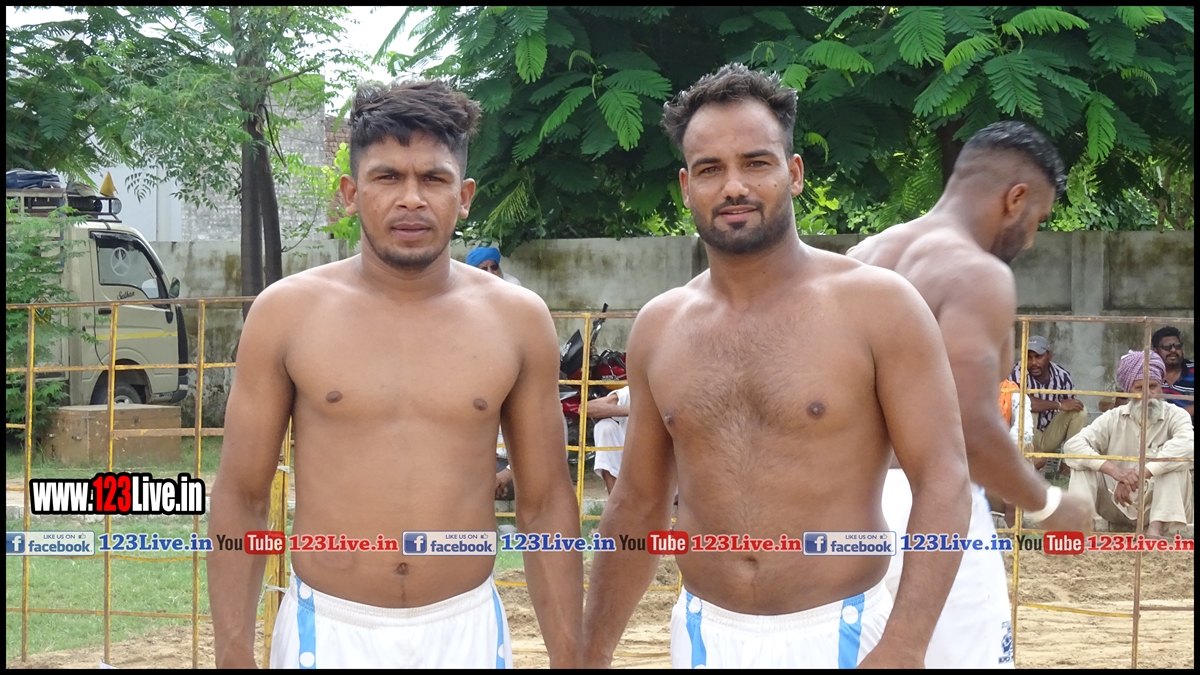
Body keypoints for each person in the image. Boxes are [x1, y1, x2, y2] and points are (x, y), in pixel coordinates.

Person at [582, 64, 972, 670]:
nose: (733, 186)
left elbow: (943, 479)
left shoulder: (879, 306)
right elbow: (636, 503)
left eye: (756, 162)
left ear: (793, 173)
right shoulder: (660, 326)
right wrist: (590, 652)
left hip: (845, 634)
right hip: (704, 636)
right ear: (686, 185)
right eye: (710, 169)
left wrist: (904, 645)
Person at [207, 80, 582, 669]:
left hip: (465, 630)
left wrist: (568, 655)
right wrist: (232, 652)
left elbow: (545, 503)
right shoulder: (286, 314)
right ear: (351, 193)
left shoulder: (517, 319)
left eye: (433, 179)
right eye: (387, 177)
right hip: (328, 630)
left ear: (464, 196)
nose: (411, 199)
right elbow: (242, 495)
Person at [848, 120, 1092, 668]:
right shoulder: (978, 273)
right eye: (1038, 220)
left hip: (843, 503)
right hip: (930, 504)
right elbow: (966, 425)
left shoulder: (863, 255)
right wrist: (1048, 504)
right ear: (1015, 199)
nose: (1031, 238)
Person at [1064, 350, 1194, 538]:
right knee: (1082, 464)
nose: (1148, 394)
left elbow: (1188, 445)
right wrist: (1115, 473)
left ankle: (1155, 532)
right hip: (1116, 501)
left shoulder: (1176, 415)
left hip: (1156, 507)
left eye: (1153, 386)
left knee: (1175, 463)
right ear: (1127, 391)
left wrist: (1142, 474)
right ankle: (1084, 531)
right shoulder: (1113, 417)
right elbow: (1073, 445)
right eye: (1139, 388)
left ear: (1161, 386)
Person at [1010, 335, 1087, 474]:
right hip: (1027, 438)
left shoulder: (1062, 376)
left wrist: (1065, 406)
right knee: (1027, 408)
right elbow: (1023, 401)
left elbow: (1071, 404)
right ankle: (1027, 460)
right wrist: (1058, 405)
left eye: (1038, 357)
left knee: (1079, 411)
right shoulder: (1017, 373)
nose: (1033, 362)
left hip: (1050, 435)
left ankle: (1068, 466)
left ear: (1049, 355)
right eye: (1029, 357)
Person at [588, 386, 630, 494]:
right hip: (633, 458)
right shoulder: (631, 392)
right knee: (604, 427)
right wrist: (634, 410)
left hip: (663, 461)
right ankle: (615, 500)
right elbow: (587, 408)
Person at [1153, 326, 1195, 420]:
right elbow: (1126, 400)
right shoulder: (1148, 372)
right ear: (1155, 350)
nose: (1173, 350)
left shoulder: (1192, 370)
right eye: (1167, 347)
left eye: (1177, 346)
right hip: (1156, 425)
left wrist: (1181, 414)